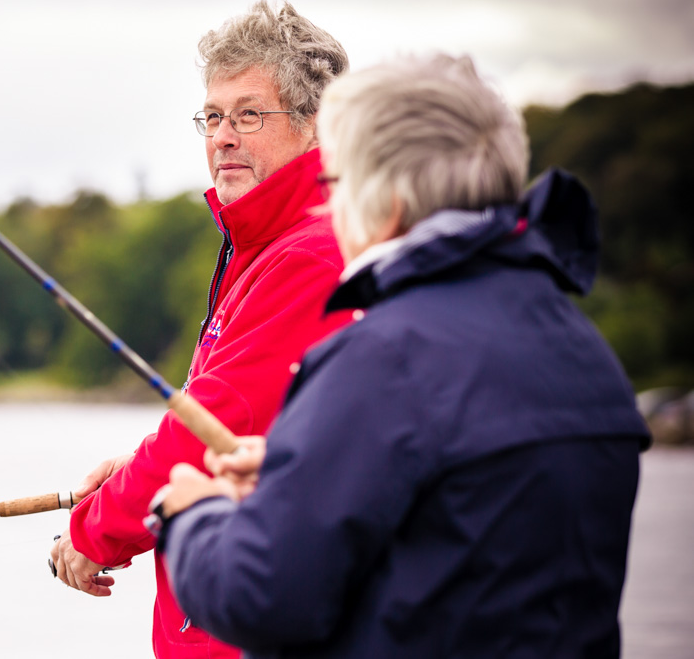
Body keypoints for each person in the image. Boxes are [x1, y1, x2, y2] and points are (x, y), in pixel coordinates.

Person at [154, 54, 650, 657]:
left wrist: (193, 516)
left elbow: (263, 598)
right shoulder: (584, 351)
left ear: (385, 202)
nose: (324, 211)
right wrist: (300, 462)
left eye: (334, 187)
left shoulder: (385, 357)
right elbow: (466, 524)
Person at [48, 0, 352, 659]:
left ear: (316, 126)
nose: (222, 136)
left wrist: (91, 531)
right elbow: (246, 430)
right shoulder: (265, 247)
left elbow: (217, 421)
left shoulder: (310, 255)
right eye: (212, 117)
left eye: (248, 114)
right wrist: (136, 470)